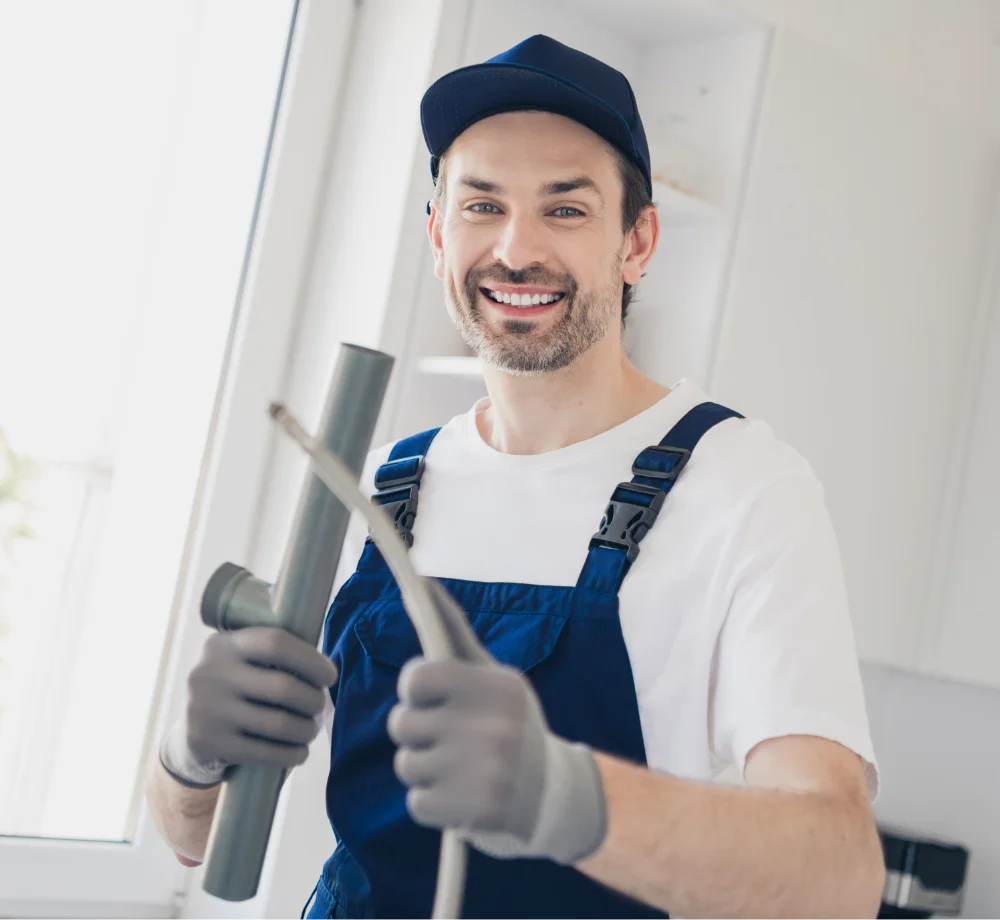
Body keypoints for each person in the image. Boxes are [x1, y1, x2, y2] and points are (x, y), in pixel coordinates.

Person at [146, 34, 886, 920]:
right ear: (437, 233)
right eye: (482, 204)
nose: (515, 249)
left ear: (637, 240)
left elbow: (840, 879)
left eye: (565, 210)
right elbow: (194, 840)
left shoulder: (743, 489)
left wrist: (568, 798)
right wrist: (189, 756)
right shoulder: (382, 486)